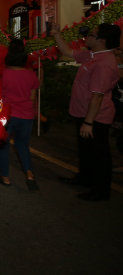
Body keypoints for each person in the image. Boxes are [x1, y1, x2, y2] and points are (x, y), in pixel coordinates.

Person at [53, 23, 121, 201]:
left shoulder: (104, 63)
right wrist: (56, 34)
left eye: (92, 34)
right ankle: (84, 177)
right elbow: (68, 52)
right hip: (83, 112)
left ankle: (100, 190)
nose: (87, 37)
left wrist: (89, 122)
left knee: (99, 154)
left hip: (95, 117)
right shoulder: (93, 55)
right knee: (85, 150)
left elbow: (97, 96)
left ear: (102, 41)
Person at [0, 40, 40, 191]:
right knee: (22, 145)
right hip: (27, 115)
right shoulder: (32, 75)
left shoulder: (3, 75)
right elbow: (32, 98)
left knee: (3, 146)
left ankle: (5, 177)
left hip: (7, 115)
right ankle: (30, 175)